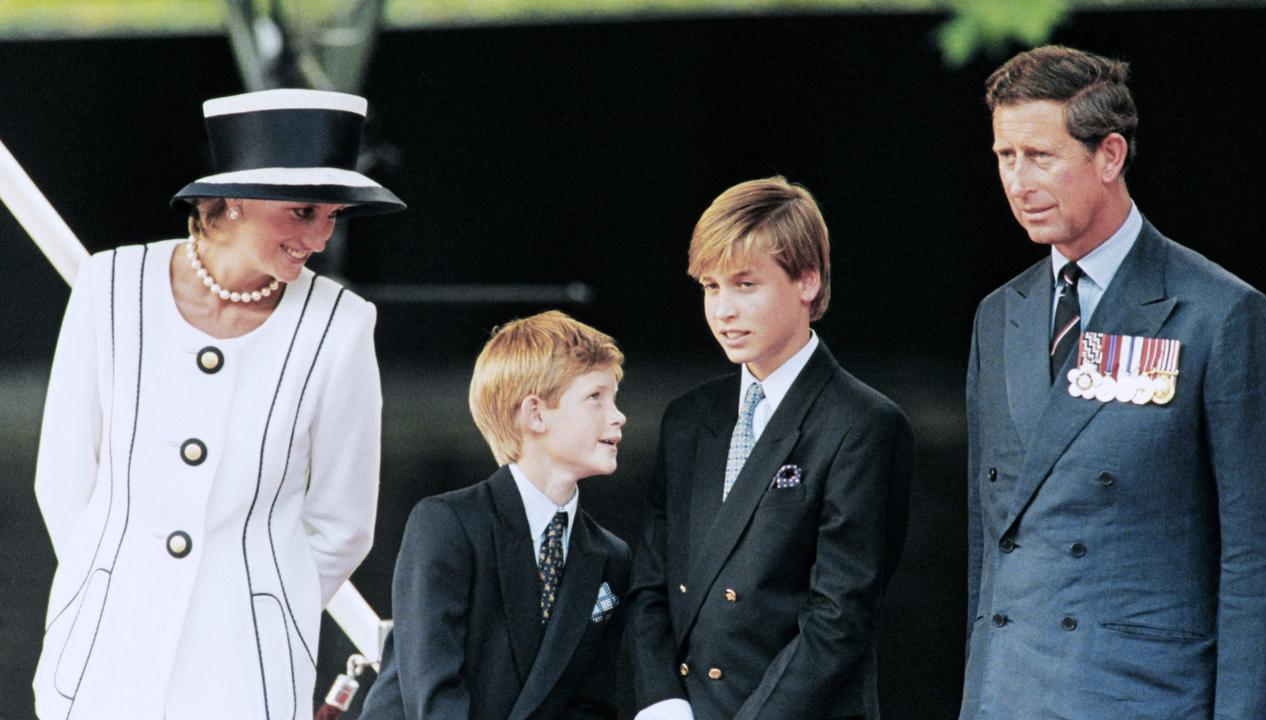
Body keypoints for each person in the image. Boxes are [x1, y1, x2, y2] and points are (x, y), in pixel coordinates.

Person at [32, 88, 405, 720]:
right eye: (303, 211)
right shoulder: (109, 286)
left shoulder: (341, 325)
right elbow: (64, 479)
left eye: (332, 215)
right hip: (100, 654)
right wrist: (113, 591)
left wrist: (261, 607)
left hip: (249, 669)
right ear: (233, 198)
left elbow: (343, 522)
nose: (319, 238)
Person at [963, 45, 1266, 718]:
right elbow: (989, 551)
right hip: (1010, 695)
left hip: (1142, 696)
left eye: (1040, 156)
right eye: (1004, 156)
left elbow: (1259, 557)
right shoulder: (1001, 317)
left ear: (1109, 155)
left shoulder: (1219, 313)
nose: (1018, 182)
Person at [627, 177, 913, 720]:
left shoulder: (864, 424)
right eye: (711, 287)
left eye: (744, 284)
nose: (723, 310)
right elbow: (651, 585)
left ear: (807, 280)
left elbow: (838, 620)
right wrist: (662, 703)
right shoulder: (687, 420)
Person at [359, 310, 631, 720]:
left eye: (614, 398)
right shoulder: (447, 525)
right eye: (595, 397)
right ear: (535, 414)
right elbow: (433, 694)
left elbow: (593, 702)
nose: (618, 415)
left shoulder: (610, 556)